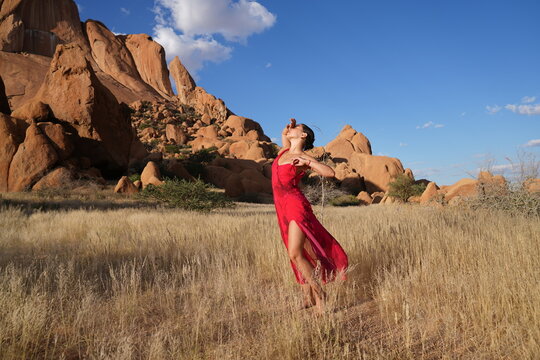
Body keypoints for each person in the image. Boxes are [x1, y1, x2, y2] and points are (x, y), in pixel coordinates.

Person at [271, 118, 349, 314]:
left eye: (296, 128)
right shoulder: (284, 152)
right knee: (299, 254)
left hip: (295, 206)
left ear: (303, 135)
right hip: (281, 208)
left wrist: (307, 163)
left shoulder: (302, 157)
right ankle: (308, 297)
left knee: (295, 252)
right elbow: (284, 134)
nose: (290, 130)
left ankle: (320, 296)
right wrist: (289, 128)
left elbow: (329, 173)